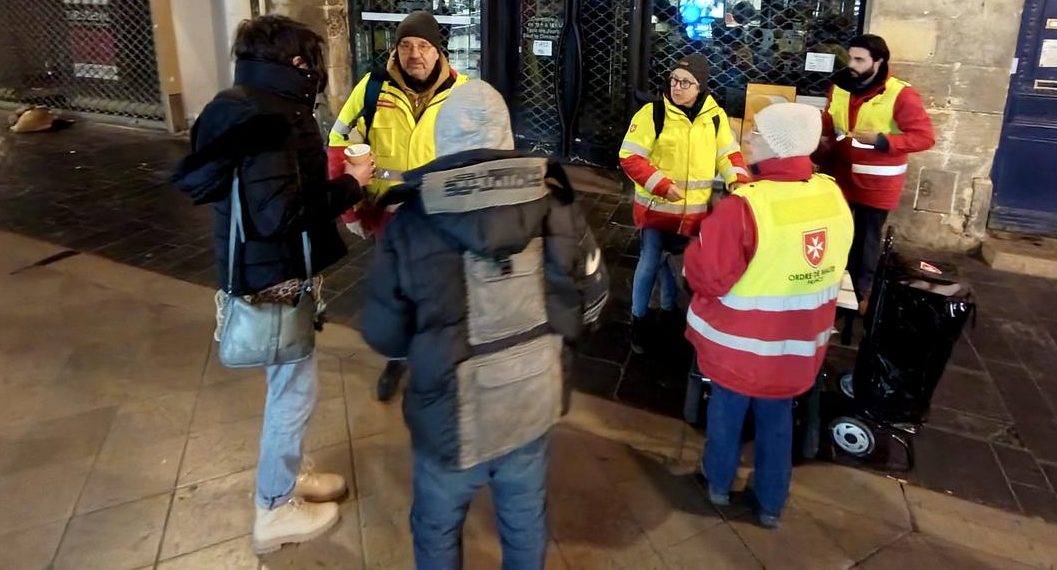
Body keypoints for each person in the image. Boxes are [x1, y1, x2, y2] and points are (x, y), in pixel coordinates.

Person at [361, 80, 608, 569]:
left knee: (436, 526)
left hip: (450, 414)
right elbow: (594, 297)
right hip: (532, 402)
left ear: (444, 137)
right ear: (504, 134)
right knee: (524, 519)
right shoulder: (557, 204)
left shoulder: (413, 221)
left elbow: (383, 332)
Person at [171, 15, 376, 554]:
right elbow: (278, 215)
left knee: (287, 386)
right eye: (310, 60)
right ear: (296, 64)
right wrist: (352, 186)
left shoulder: (244, 103)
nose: (315, 71)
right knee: (294, 391)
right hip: (273, 277)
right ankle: (274, 507)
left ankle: (290, 475)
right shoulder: (271, 117)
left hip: (261, 270)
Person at [684, 102, 853, 528]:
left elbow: (708, 277)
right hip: (798, 344)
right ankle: (771, 504)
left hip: (739, 345)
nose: (747, 138)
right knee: (778, 421)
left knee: (725, 413)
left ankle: (719, 485)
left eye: (757, 133)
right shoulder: (832, 194)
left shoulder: (745, 206)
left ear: (778, 146)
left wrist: (697, 246)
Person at [328, 10, 469, 401]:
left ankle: (439, 365)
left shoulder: (464, 92)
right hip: (387, 218)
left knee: (443, 294)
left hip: (441, 219)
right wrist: (350, 210)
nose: (414, 54)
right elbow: (339, 146)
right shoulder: (372, 89)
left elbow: (483, 154)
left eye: (424, 46)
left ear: (439, 52)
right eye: (406, 45)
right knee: (397, 295)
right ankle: (398, 360)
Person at [619, 53, 748, 353]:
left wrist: (737, 180)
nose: (677, 87)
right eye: (674, 80)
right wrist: (662, 186)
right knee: (651, 262)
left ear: (700, 86)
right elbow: (630, 157)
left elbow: (728, 154)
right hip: (657, 210)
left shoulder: (714, 118)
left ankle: (668, 312)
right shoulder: (653, 114)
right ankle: (639, 321)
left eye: (686, 82)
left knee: (675, 265)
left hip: (693, 215)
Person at [817, 34, 935, 302]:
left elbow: (924, 137)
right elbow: (829, 121)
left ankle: (859, 295)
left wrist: (882, 140)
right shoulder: (840, 87)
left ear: (879, 62)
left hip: (877, 184)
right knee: (836, 235)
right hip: (839, 176)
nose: (852, 64)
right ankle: (831, 291)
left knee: (866, 243)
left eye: (860, 60)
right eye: (851, 58)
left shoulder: (901, 94)